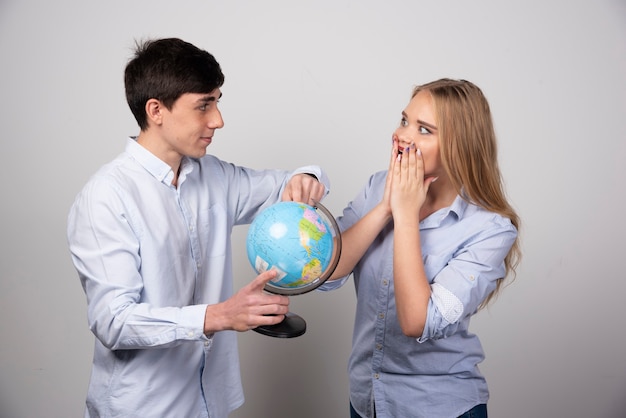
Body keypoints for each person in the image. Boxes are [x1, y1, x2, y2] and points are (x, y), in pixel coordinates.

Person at [66, 37, 329, 418]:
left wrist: (306, 176)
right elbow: (113, 320)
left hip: (211, 402)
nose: (218, 119)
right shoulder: (105, 197)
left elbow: (294, 181)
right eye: (204, 105)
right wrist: (218, 316)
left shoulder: (215, 176)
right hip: (144, 409)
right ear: (156, 110)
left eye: (217, 101)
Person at [321, 78, 521, 418]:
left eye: (424, 130)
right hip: (366, 399)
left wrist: (405, 214)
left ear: (460, 146)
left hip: (438, 406)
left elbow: (417, 322)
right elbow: (328, 269)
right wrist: (386, 206)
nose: (402, 135)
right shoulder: (377, 187)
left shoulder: (490, 230)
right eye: (404, 121)